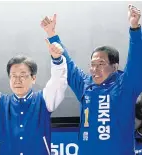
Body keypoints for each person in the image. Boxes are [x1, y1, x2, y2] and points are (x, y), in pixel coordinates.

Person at [41, 4, 142, 155]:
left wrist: (135, 28)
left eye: (101, 64)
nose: (94, 69)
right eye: (92, 64)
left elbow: (136, 60)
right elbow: (68, 65)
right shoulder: (85, 85)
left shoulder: (126, 85)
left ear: (114, 67)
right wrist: (51, 34)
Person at [0, 37, 67, 155]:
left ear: (33, 78)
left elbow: (58, 83)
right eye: (13, 76)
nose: (17, 80)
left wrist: (57, 60)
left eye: (23, 75)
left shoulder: (43, 100)